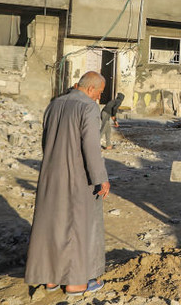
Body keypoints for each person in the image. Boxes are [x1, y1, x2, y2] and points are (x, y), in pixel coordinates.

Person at [25, 72, 110, 297]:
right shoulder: (88, 107)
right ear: (91, 89)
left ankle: (51, 279)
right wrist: (100, 178)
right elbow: (91, 146)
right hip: (77, 178)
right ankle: (75, 284)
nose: (98, 98)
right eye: (99, 93)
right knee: (77, 228)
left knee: (52, 226)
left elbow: (46, 142)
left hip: (50, 175)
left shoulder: (54, 104)